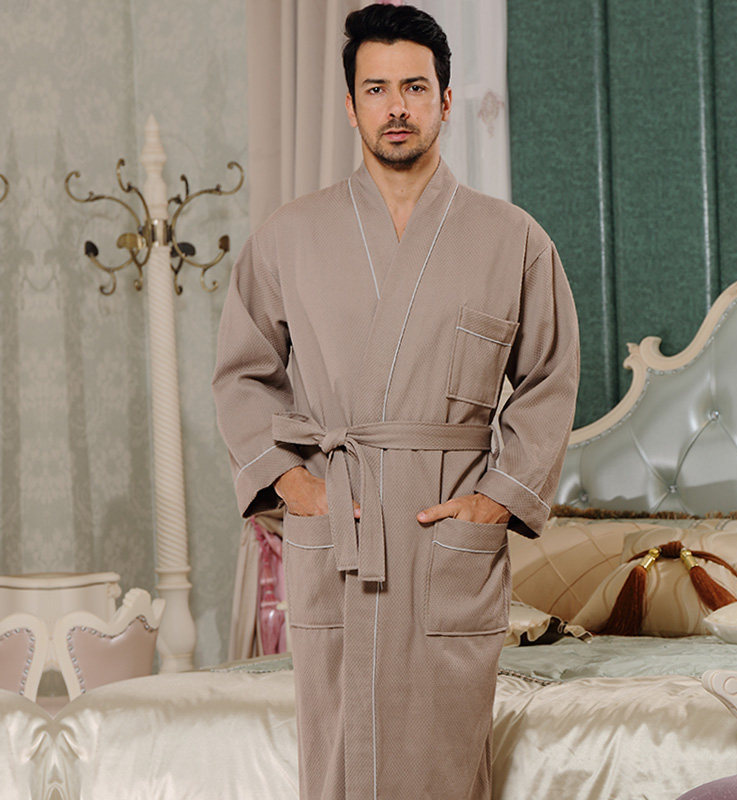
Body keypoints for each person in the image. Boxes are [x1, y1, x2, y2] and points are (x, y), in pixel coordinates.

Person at [211, 4, 579, 798]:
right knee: (337, 752)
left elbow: (549, 378)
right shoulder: (289, 236)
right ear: (351, 106)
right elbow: (242, 374)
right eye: (376, 89)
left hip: (446, 531)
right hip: (338, 524)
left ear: (446, 100)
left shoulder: (512, 239)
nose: (397, 107)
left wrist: (493, 501)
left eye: (415, 87)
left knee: (444, 755)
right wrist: (295, 485)